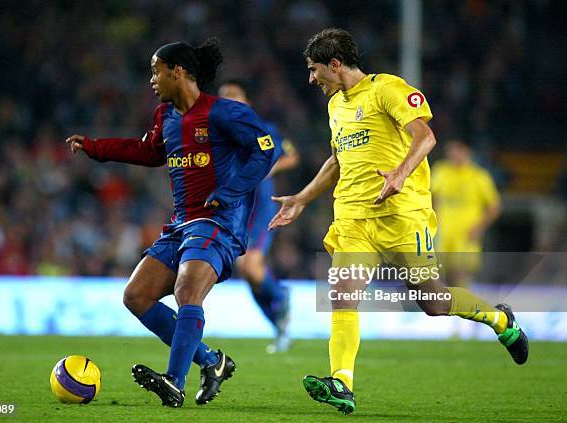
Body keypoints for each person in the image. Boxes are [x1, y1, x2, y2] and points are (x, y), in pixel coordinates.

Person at [269, 28, 528, 415]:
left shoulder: (387, 90)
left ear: (335, 64)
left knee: (434, 302)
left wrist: (401, 173)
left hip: (401, 215)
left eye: (314, 69)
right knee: (343, 296)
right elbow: (339, 160)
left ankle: (498, 318)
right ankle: (342, 382)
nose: (312, 78)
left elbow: (425, 137)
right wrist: (303, 199)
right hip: (354, 217)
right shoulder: (335, 106)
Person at [66, 37, 276, 408]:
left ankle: (174, 381)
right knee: (136, 295)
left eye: (155, 71)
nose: (151, 80)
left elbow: (266, 150)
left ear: (177, 72)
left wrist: (230, 192)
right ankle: (212, 361)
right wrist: (97, 148)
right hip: (182, 224)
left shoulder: (224, 113)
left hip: (219, 222)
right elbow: (149, 152)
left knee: (187, 293)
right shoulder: (166, 118)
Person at [218, 79, 300, 353]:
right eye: (224, 96)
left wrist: (270, 168)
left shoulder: (263, 130)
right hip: (233, 208)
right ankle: (278, 320)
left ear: (247, 101)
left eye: (234, 95)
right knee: (246, 272)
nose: (229, 99)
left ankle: (280, 297)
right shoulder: (216, 133)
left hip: (259, 207)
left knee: (250, 266)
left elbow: (291, 156)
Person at [432, 138, 501, 286]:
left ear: (467, 151)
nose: (453, 153)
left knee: (460, 277)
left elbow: (494, 207)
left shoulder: (479, 176)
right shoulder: (440, 171)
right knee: (439, 279)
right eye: (450, 149)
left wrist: (478, 228)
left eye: (457, 149)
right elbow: (433, 198)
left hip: (466, 237)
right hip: (443, 235)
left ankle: (462, 308)